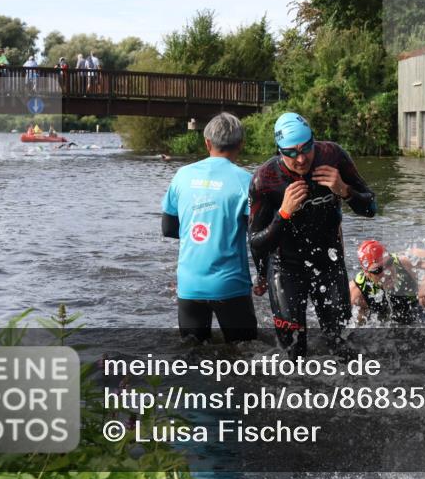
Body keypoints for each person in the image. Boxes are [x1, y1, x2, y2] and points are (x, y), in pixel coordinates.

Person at [248, 112, 377, 360]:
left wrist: (345, 190)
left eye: (306, 148)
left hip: (329, 263)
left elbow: (371, 208)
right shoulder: (265, 179)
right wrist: (283, 214)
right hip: (286, 267)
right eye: (292, 152)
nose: (301, 158)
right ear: (279, 151)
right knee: (293, 353)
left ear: (313, 140)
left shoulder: (333, 156)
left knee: (340, 344)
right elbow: (255, 241)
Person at [161, 113, 257, 344]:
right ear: (241, 144)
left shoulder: (182, 175)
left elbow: (168, 228)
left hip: (189, 285)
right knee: (245, 359)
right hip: (230, 285)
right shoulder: (247, 181)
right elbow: (256, 234)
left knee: (192, 360)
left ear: (207, 143)